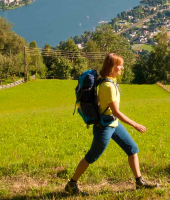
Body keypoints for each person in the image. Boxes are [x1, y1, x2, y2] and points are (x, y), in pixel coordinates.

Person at [65, 54, 158, 195]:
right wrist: (135, 124)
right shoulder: (108, 86)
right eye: (120, 65)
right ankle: (71, 184)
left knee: (132, 149)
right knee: (92, 156)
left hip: (113, 123)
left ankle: (139, 182)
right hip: (105, 127)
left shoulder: (109, 81)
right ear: (113, 67)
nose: (122, 67)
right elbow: (116, 111)